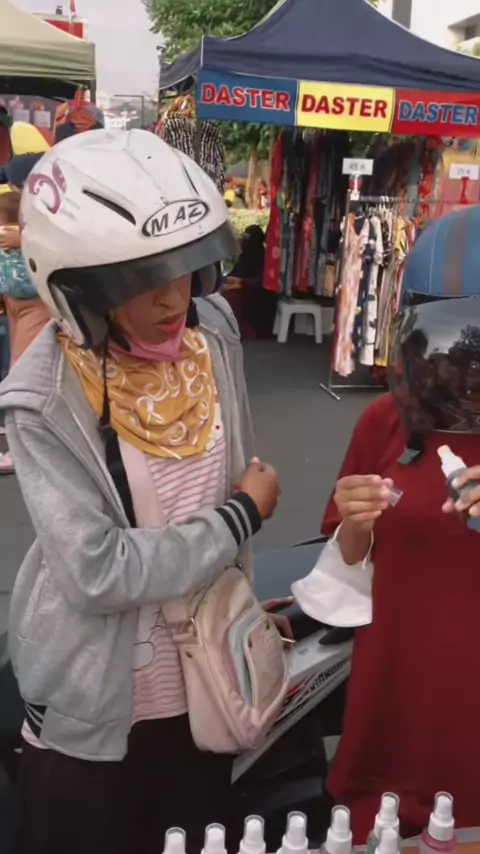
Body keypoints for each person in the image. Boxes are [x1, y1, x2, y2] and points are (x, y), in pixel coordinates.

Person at [0, 129, 281, 854]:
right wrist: (239, 518)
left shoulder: (212, 332)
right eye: (139, 278)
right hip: (102, 713)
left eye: (185, 267)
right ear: (78, 285)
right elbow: (97, 571)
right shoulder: (42, 398)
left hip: (209, 685)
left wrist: (240, 601)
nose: (172, 295)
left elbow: (227, 467)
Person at [294, 204, 480, 842]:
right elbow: (348, 560)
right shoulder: (386, 424)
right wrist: (353, 525)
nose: (465, 371)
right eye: (451, 348)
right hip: (397, 689)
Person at [0, 188, 50, 473]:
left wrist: (22, 238)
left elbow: (49, 246)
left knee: (23, 374)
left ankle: (22, 450)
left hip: (35, 305)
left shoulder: (32, 236)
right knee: (16, 369)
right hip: (13, 304)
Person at [225, 225, 276, 338]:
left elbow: (263, 282)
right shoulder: (244, 256)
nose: (244, 241)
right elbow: (235, 273)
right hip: (242, 289)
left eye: (248, 238)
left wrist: (242, 281)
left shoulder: (263, 258)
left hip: (258, 296)